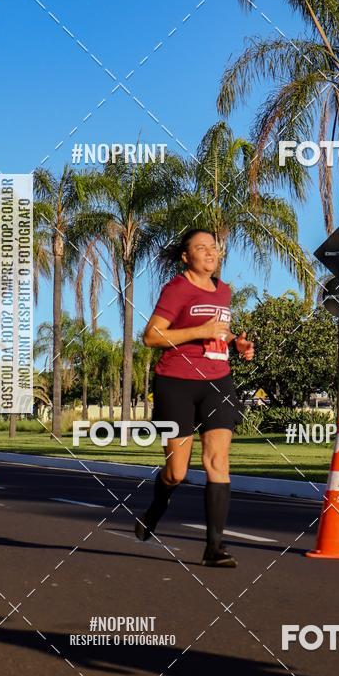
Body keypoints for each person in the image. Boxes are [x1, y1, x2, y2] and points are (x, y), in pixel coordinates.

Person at [135, 229, 254, 568]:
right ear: (186, 257)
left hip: (218, 382)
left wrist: (236, 342)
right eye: (200, 248)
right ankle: (157, 507)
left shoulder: (224, 290)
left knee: (218, 462)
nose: (210, 252)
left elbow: (219, 329)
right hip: (176, 383)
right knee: (176, 472)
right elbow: (152, 336)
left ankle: (214, 548)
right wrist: (200, 332)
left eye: (213, 247)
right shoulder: (177, 288)